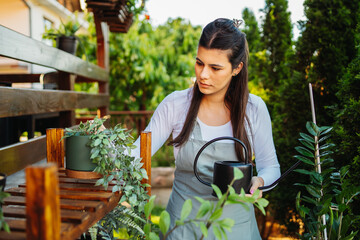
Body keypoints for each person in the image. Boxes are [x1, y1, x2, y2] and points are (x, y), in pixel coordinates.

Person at [132, 18, 280, 239]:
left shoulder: (254, 109)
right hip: (183, 226)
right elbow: (136, 155)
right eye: (199, 63)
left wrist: (260, 181)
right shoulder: (176, 104)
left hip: (235, 228)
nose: (203, 74)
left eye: (215, 67)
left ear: (237, 68)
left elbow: (271, 168)